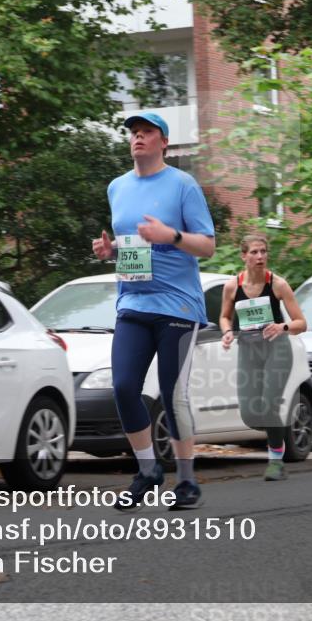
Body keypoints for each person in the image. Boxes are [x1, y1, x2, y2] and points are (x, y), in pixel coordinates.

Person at [92, 112, 215, 510]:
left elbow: (207, 246)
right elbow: (133, 245)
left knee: (172, 393)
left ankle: (186, 480)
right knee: (124, 387)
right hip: (133, 302)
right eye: (133, 133)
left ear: (164, 142)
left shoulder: (183, 185)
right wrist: (110, 253)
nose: (138, 138)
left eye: (146, 133)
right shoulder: (117, 187)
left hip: (177, 305)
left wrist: (172, 236)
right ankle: (147, 471)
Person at [219, 234, 308, 481]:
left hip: (277, 347)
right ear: (244, 256)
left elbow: (301, 323)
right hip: (248, 348)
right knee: (249, 412)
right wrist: (227, 332)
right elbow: (225, 316)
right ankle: (278, 427)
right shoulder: (232, 286)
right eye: (254, 252)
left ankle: (275, 461)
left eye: (263, 252)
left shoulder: (278, 284)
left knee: (269, 402)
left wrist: (283, 328)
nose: (260, 257)